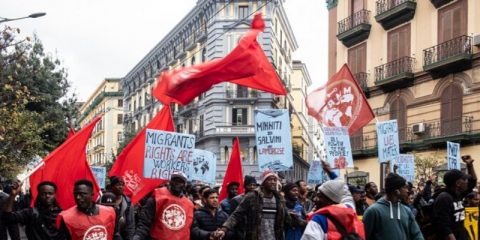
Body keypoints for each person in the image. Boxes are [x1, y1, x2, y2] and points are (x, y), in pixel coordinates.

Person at [216, 170, 287, 240]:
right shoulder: (252, 196)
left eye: (275, 180)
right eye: (269, 180)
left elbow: (285, 218)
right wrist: (224, 229)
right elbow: (237, 214)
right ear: (263, 182)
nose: (273, 182)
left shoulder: (279, 198)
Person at [133, 171, 194, 240]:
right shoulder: (157, 197)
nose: (177, 183)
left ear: (184, 185)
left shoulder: (189, 205)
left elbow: (190, 228)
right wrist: (137, 237)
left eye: (180, 182)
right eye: (175, 180)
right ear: (170, 182)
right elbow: (145, 222)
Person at [362, 173, 423, 240]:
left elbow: (417, 235)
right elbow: (363, 236)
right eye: (404, 187)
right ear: (396, 191)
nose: (407, 191)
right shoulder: (373, 211)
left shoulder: (406, 210)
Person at [433, 155, 477, 240]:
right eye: (464, 180)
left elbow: (473, 181)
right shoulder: (444, 198)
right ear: (458, 183)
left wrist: (470, 165)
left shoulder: (459, 194)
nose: (466, 182)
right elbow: (445, 228)